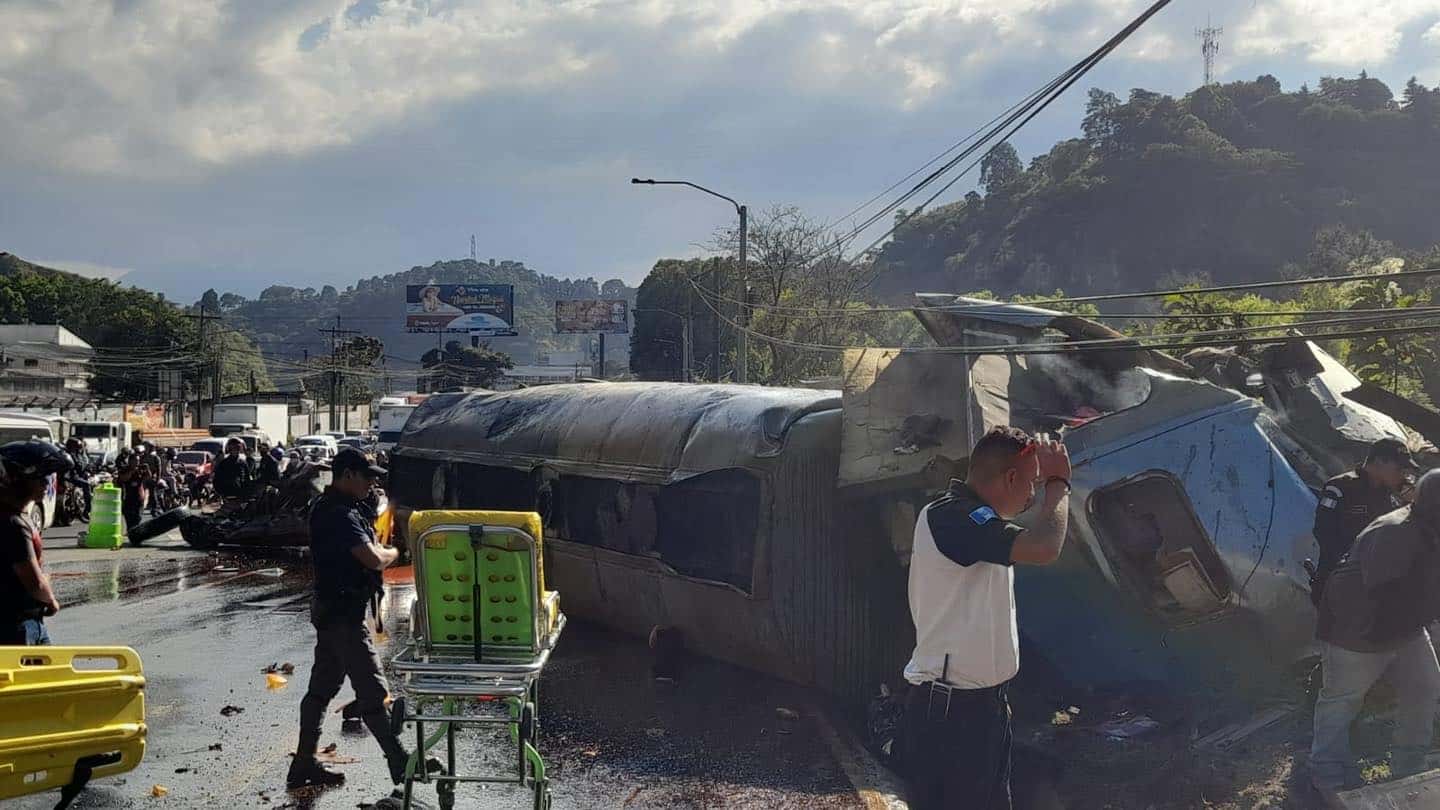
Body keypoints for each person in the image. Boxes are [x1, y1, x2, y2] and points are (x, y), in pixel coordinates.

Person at [901, 426, 1073, 810]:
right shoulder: (954, 517)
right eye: (1031, 483)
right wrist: (1059, 484)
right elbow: (1044, 547)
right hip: (952, 717)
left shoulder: (979, 523)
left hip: (982, 711)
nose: (1032, 495)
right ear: (1010, 478)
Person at [288, 448, 435, 790]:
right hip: (341, 616)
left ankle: (303, 764)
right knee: (372, 689)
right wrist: (395, 552)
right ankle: (399, 761)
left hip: (335, 610)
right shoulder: (338, 514)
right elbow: (370, 558)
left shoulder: (341, 509)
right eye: (366, 476)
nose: (371, 483)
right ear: (348, 475)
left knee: (321, 689)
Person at [1309, 469, 1440, 800]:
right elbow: (1386, 593)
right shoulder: (1396, 532)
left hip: (1404, 625)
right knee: (1342, 700)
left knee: (1424, 686)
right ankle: (1328, 777)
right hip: (1357, 628)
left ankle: (1409, 766)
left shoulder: (1429, 528)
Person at [1309, 438, 1418, 605]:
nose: (1403, 474)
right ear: (1380, 461)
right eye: (1399, 468)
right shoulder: (1341, 487)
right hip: (1336, 585)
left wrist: (1412, 502)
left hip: (1370, 593)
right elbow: (1323, 531)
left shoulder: (1391, 498)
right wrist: (1352, 567)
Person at [0, 441, 73, 645]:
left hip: (26, 620)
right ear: (17, 478)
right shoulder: (12, 524)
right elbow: (33, 580)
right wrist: (51, 600)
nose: (46, 484)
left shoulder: (18, 517)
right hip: (16, 625)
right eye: (40, 478)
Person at [114, 450, 147, 530]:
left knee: (138, 518)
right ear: (130, 461)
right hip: (129, 499)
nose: (137, 462)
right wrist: (132, 471)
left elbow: (148, 478)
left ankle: (136, 537)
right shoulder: (125, 469)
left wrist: (147, 469)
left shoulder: (140, 469)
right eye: (135, 460)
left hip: (139, 498)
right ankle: (131, 535)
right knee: (130, 521)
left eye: (138, 460)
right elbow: (123, 479)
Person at [63, 437, 93, 520]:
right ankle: (87, 510)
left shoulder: (67, 453)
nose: (78, 448)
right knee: (86, 485)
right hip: (71, 477)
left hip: (67, 476)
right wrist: (84, 467)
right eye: (77, 447)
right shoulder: (71, 454)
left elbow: (83, 463)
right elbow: (79, 466)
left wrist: (88, 467)